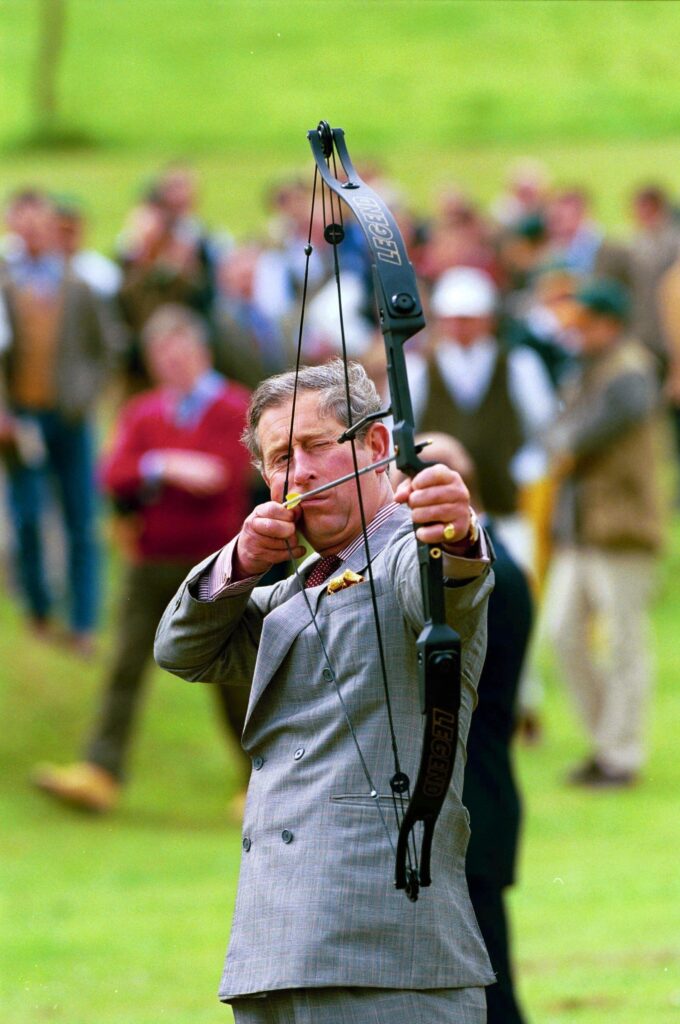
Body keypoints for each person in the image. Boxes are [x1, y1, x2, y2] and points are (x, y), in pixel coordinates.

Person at [154, 359, 496, 1022]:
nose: (300, 472)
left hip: (385, 951)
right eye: (281, 457)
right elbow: (181, 650)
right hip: (273, 950)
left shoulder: (404, 549)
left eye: (316, 445)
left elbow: (445, 587)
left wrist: (455, 529)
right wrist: (241, 561)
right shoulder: (285, 594)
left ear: (374, 447)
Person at [33, 305, 253, 812]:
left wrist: (153, 472)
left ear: (200, 352)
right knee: (126, 664)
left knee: (232, 674)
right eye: (162, 358)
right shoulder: (144, 412)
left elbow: (221, 475)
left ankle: (259, 777)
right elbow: (112, 475)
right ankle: (99, 771)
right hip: (150, 559)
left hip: (215, 561)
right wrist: (167, 464)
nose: (171, 367)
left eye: (179, 355)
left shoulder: (234, 407)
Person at [398, 433, 532, 1024]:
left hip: (469, 804)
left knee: (488, 998)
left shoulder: (483, 577)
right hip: (468, 803)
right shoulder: (490, 564)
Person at [543, 279, 664, 787]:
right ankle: (605, 742)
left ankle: (622, 755)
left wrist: (559, 440)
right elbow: (556, 436)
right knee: (561, 634)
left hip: (622, 529)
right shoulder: (592, 368)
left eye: (584, 324)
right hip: (581, 529)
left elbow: (576, 436)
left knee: (623, 645)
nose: (576, 333)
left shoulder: (629, 371)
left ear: (609, 324)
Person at [0, 188, 115, 652]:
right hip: (20, 421)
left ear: (51, 227)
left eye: (38, 222)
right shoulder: (5, 285)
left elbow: (107, 350)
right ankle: (39, 609)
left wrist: (81, 398)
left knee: (81, 520)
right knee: (26, 517)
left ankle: (83, 621)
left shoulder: (80, 285)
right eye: (20, 221)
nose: (30, 231)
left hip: (70, 421)